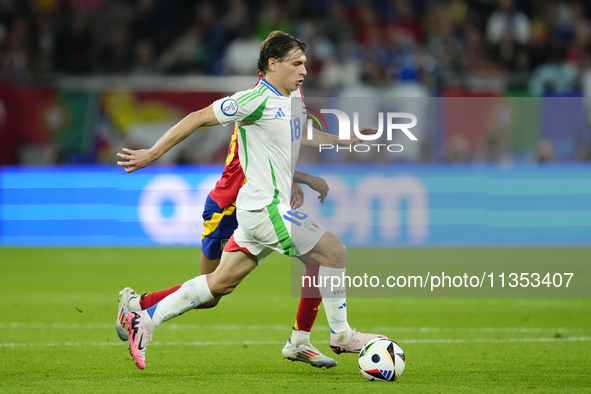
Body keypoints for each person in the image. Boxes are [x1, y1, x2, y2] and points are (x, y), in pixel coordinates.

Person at [117, 31, 385, 370]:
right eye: (296, 63)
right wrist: (154, 153)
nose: (304, 70)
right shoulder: (254, 99)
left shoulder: (293, 97)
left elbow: (298, 134)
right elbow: (197, 117)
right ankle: (342, 335)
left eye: (305, 63)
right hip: (264, 209)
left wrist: (344, 140)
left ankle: (146, 318)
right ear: (272, 64)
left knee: (219, 285)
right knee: (333, 251)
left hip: (259, 211)